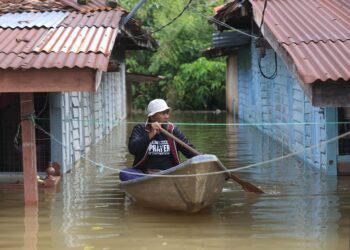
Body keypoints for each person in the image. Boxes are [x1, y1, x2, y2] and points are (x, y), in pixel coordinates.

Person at [120, 99, 196, 181]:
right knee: (124, 173)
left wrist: (205, 158)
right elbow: (132, 149)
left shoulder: (173, 130)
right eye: (163, 113)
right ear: (152, 116)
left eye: (167, 113)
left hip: (170, 174)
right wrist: (150, 135)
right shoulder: (140, 129)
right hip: (146, 176)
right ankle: (147, 184)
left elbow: (189, 150)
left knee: (191, 171)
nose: (167, 116)